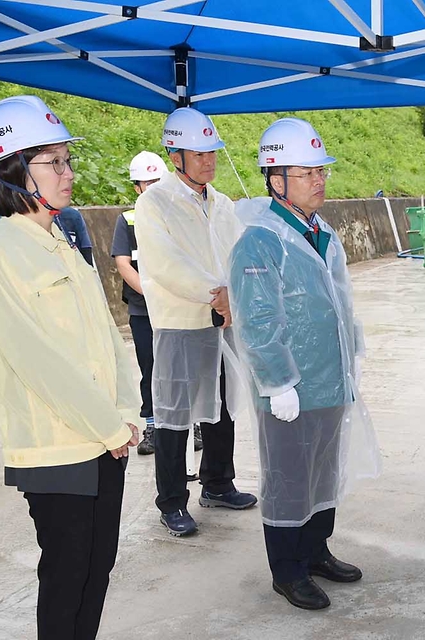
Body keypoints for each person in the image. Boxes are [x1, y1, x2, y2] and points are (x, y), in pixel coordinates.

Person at [0, 95, 140, 639]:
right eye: (53, 162)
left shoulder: (59, 241)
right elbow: (39, 363)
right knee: (67, 575)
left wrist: (128, 411)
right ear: (11, 169)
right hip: (58, 446)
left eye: (67, 160)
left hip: (106, 437)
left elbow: (105, 337)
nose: (67, 174)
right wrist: (108, 425)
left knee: (98, 569)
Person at [228, 117, 380, 610]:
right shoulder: (260, 239)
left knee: (323, 472)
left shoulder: (322, 231)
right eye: (307, 172)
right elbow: (257, 318)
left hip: (330, 378)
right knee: (288, 476)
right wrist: (277, 383)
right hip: (289, 388)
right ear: (276, 180)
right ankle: (287, 569)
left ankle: (316, 551)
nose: (320, 180)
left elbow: (340, 304)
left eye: (321, 171)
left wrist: (350, 360)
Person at [134, 107, 257, 537]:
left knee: (222, 406)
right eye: (199, 153)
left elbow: (238, 255)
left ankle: (218, 483)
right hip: (182, 321)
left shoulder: (221, 204)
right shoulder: (154, 202)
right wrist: (215, 293)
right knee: (174, 415)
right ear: (175, 155)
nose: (209, 160)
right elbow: (165, 263)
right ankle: (171, 502)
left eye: (212, 152)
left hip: (222, 322)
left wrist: (235, 293)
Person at [111, 151, 203, 456]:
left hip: (178, 309)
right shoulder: (126, 221)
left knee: (185, 367)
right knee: (151, 368)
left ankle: (194, 426)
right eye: (144, 182)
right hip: (143, 310)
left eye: (156, 181)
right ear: (136, 187)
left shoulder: (178, 214)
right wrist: (151, 293)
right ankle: (152, 425)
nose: (150, 187)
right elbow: (123, 263)